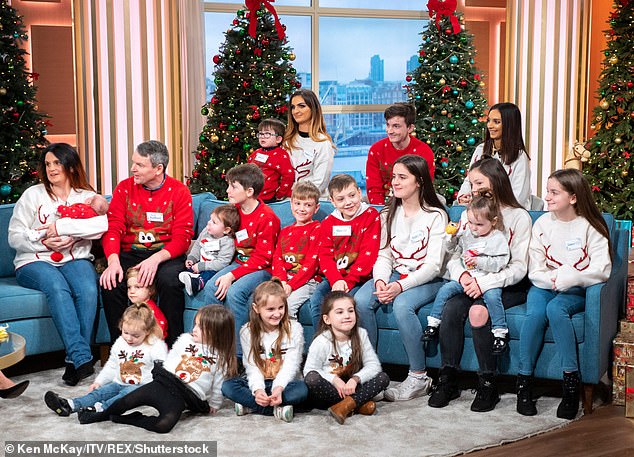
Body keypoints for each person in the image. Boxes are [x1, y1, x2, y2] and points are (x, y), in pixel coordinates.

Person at [428, 157, 532, 413]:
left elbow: (519, 267)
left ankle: (488, 382)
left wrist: (483, 283)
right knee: (451, 309)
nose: (472, 188)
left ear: (495, 183)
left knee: (478, 312)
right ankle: (448, 377)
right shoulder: (469, 214)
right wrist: (463, 277)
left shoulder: (519, 217)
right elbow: (455, 255)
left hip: (505, 285)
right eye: (471, 183)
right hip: (470, 279)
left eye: (478, 183)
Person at [8, 143, 108, 386]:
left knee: (87, 289)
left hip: (75, 258)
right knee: (56, 286)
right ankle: (82, 356)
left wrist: (68, 232)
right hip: (34, 260)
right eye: (48, 164)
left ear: (70, 166)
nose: (51, 169)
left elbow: (104, 224)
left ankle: (75, 362)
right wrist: (45, 242)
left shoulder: (87, 197)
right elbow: (14, 235)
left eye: (57, 163)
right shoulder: (33, 194)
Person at [516, 169, 611, 419]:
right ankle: (524, 383)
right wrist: (552, 280)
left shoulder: (591, 225)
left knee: (556, 309)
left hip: (577, 287)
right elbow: (534, 267)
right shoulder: (543, 224)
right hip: (544, 285)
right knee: (535, 313)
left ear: (573, 197)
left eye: (554, 192)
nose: (546, 197)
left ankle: (571, 382)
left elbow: (603, 269)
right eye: (547, 191)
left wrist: (574, 277)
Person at [355, 154, 447, 401]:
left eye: (402, 177)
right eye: (394, 176)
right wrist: (381, 281)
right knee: (361, 301)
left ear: (419, 181)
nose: (394, 182)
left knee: (403, 305)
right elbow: (384, 255)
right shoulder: (387, 213)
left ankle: (419, 376)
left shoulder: (436, 215)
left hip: (427, 277)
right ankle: (371, 371)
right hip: (395, 273)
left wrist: (399, 286)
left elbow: (433, 266)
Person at [82, 305, 238, 433]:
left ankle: (128, 418)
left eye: (201, 327)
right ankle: (98, 415)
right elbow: (171, 359)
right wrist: (161, 374)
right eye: (196, 324)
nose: (195, 328)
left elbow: (218, 384)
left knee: (163, 425)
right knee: (126, 401)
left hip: (185, 395)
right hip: (165, 382)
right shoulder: (185, 339)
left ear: (217, 332)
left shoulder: (221, 356)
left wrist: (215, 404)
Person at [100, 140, 194, 347]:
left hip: (165, 254)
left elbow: (183, 237)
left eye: (139, 165)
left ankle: (171, 350)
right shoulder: (124, 188)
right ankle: (121, 349)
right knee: (111, 282)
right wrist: (113, 261)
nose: (133, 168)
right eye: (133, 163)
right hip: (130, 253)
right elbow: (113, 227)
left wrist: (156, 259)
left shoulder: (179, 191)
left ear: (158, 168)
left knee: (170, 281)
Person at [201, 164, 281, 354]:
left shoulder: (267, 218)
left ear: (250, 191)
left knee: (235, 292)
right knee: (212, 286)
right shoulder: (233, 211)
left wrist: (232, 276)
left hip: (262, 269)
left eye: (233, 186)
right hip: (240, 263)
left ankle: (238, 354)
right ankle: (212, 345)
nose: (228, 190)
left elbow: (263, 257)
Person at [44, 303, 168, 420]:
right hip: (119, 382)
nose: (129, 338)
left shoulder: (155, 345)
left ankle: (100, 409)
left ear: (147, 332)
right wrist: (99, 382)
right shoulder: (120, 342)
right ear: (121, 326)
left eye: (135, 336)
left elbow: (163, 368)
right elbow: (112, 365)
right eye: (125, 333)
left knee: (123, 396)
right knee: (99, 393)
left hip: (141, 387)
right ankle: (70, 405)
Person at [423, 192, 510, 353]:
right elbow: (452, 250)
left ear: (493, 221)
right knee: (445, 290)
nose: (473, 228)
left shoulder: (497, 238)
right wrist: (451, 237)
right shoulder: (467, 233)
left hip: (487, 279)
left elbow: (501, 263)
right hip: (468, 278)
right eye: (470, 222)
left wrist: (479, 262)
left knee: (493, 297)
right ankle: (433, 323)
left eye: (479, 224)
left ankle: (500, 332)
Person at [221, 279, 308, 423]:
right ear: (256, 309)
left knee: (303, 390)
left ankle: (252, 406)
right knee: (228, 386)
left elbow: (291, 366)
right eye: (270, 309)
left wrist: (278, 388)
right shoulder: (247, 332)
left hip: (286, 385)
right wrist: (258, 390)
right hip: (260, 382)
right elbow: (251, 367)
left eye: (281, 307)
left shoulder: (295, 329)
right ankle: (275, 407)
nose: (277, 313)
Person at [304, 291, 390, 425]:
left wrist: (355, 379)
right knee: (312, 379)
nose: (347, 316)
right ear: (327, 319)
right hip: (331, 389)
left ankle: (345, 406)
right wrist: (334, 380)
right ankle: (358, 404)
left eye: (350, 311)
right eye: (339, 312)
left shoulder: (361, 334)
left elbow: (374, 365)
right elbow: (309, 370)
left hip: (352, 386)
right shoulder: (321, 341)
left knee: (383, 377)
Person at [307, 174, 381, 330]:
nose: (348, 202)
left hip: (360, 277)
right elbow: (325, 255)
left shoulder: (371, 216)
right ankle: (324, 345)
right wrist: (335, 280)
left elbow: (368, 255)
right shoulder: (328, 222)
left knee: (347, 303)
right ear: (332, 202)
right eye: (340, 199)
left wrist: (348, 282)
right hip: (336, 278)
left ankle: (356, 349)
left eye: (352, 196)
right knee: (317, 300)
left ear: (360, 193)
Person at [456, 102, 532, 210]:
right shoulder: (480, 150)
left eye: (496, 122)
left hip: (508, 213)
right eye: (489, 121)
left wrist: (491, 206)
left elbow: (519, 196)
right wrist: (463, 196)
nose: (490, 126)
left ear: (509, 125)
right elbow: (469, 181)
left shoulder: (519, 156)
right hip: (479, 211)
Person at [365, 103, 436, 205]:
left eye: (396, 126)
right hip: (384, 202)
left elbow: (425, 187)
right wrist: (382, 212)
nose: (390, 131)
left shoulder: (424, 151)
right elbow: (374, 189)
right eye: (388, 125)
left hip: (415, 202)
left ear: (410, 128)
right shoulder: (376, 150)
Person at [271, 181, 322, 319]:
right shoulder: (285, 231)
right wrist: (281, 281)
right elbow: (277, 259)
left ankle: (291, 340)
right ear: (291, 204)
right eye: (298, 203)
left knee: (287, 306)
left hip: (308, 280)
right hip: (284, 279)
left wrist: (291, 285)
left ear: (316, 208)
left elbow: (312, 264)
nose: (302, 209)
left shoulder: (317, 229)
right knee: (266, 302)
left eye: (308, 205)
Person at [283, 89, 335, 199]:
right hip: (287, 201)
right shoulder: (287, 141)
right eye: (293, 107)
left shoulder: (322, 143)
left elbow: (320, 183)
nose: (295, 111)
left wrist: (299, 201)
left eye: (301, 106)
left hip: (312, 202)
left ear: (313, 109)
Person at [178, 204, 239, 296]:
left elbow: (222, 263)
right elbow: (198, 246)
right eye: (210, 219)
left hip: (213, 268)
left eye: (214, 222)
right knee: (185, 271)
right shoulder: (206, 231)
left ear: (226, 230)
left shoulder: (228, 242)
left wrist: (202, 266)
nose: (209, 223)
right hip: (200, 263)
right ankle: (189, 277)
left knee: (210, 274)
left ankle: (198, 283)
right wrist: (192, 258)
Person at [247, 118, 295, 203]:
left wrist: (280, 193)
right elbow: (246, 171)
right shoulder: (255, 153)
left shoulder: (281, 155)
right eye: (261, 134)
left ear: (278, 139)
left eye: (267, 134)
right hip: (250, 195)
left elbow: (288, 175)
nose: (262, 136)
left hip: (268, 198)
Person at [26, 194, 109, 242]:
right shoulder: (95, 214)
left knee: (48, 228)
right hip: (67, 239)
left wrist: (60, 209)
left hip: (66, 237)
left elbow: (73, 212)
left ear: (88, 202)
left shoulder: (84, 209)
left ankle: (37, 234)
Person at [126, 268, 168, 340]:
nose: (132, 291)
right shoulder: (133, 308)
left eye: (137, 287)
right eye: (129, 287)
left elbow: (160, 333)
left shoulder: (151, 311)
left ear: (150, 290)